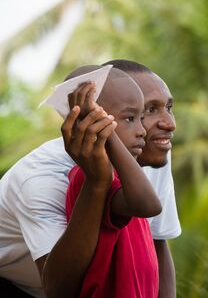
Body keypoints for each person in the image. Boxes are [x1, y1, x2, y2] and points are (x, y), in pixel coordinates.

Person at [0, 60, 180, 298]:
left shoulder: (144, 151)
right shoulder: (42, 178)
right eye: (150, 110)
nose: (169, 124)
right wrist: (99, 178)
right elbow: (59, 289)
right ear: (94, 118)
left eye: (168, 107)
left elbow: (157, 241)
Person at [65, 65, 162, 297]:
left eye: (141, 118)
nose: (142, 131)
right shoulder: (92, 176)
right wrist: (106, 135)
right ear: (91, 121)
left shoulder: (125, 174)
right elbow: (149, 205)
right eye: (129, 118)